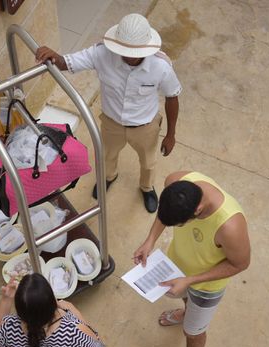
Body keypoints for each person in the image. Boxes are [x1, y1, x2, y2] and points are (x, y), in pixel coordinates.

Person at [35, 13, 182, 213]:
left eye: (134, 51)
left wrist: (171, 134)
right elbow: (67, 63)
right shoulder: (102, 54)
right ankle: (109, 177)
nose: (128, 55)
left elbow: (172, 96)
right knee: (107, 156)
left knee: (148, 161)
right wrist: (54, 56)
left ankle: (147, 187)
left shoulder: (161, 66)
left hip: (145, 127)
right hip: (112, 123)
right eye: (124, 49)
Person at [133, 171, 250, 347]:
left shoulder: (230, 226)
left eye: (178, 225)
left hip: (206, 286)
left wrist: (191, 280)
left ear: (196, 212)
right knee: (185, 300)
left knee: (193, 332)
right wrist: (150, 240)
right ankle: (187, 311)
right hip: (179, 268)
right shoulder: (177, 180)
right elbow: (164, 214)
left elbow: (241, 263)